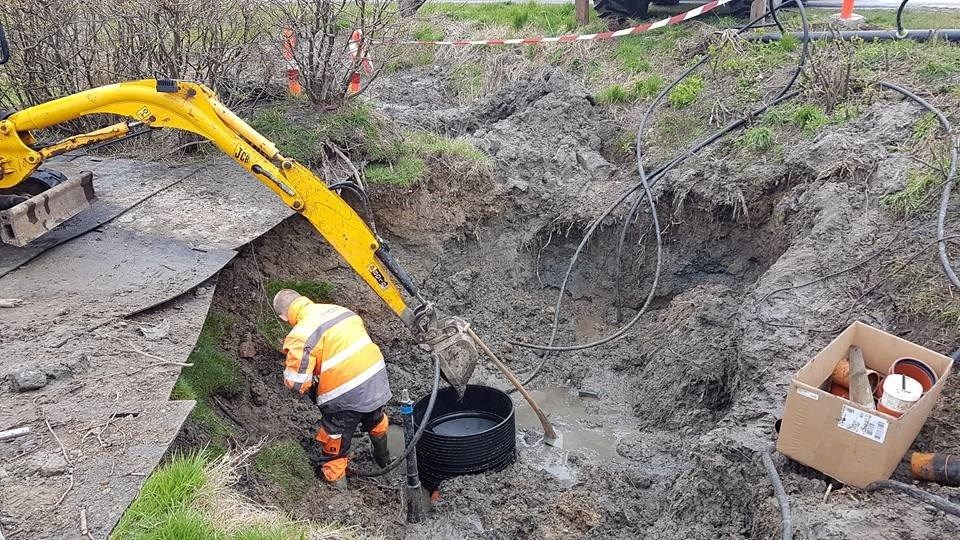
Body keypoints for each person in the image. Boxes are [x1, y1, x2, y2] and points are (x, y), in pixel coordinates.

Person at [272, 288, 392, 487]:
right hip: (376, 379)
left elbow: (297, 383)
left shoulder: (300, 334)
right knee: (376, 419)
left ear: (284, 317)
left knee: (334, 441)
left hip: (345, 394)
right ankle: (384, 459)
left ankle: (340, 499)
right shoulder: (339, 310)